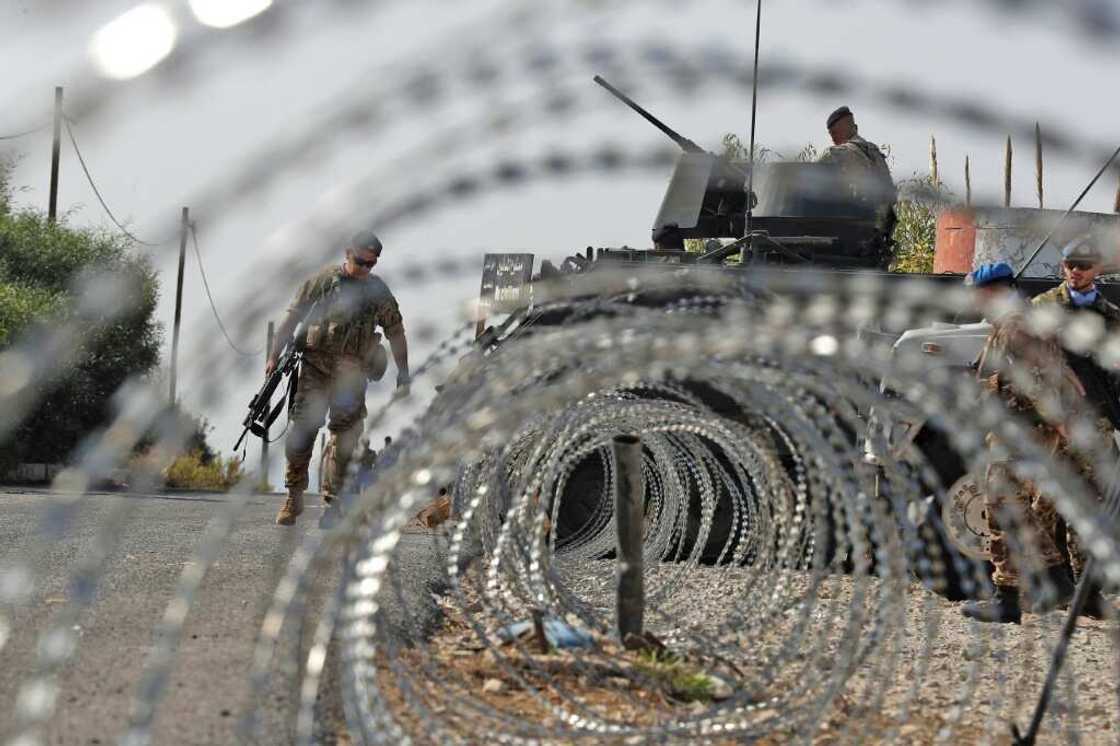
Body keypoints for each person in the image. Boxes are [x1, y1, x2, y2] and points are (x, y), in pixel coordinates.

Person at [962, 263, 1102, 622]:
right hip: (1027, 428)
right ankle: (1024, 590)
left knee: (1005, 502)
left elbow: (1036, 381)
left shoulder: (1016, 326)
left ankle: (1034, 588)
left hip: (1024, 428)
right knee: (1011, 507)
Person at [269, 230, 410, 526]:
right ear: (348, 253)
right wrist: (273, 356)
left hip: (352, 376)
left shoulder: (377, 292)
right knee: (302, 433)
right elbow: (292, 319)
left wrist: (403, 371)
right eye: (360, 262)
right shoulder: (321, 282)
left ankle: (332, 505)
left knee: (345, 440)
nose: (365, 270)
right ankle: (293, 496)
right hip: (315, 369)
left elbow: (395, 331)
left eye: (371, 265)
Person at [818, 106, 896, 207]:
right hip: (881, 218)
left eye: (834, 133)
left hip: (853, 215)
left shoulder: (834, 152)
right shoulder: (875, 151)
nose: (833, 140)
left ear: (841, 130)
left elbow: (812, 181)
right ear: (856, 128)